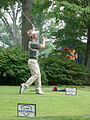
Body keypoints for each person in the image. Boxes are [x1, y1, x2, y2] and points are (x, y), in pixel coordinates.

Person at [19, 29, 46, 95]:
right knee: (35, 75)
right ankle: (25, 85)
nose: (36, 35)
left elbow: (39, 47)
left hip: (33, 61)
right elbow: (43, 46)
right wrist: (44, 40)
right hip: (32, 61)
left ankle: (38, 89)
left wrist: (37, 33)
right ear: (33, 36)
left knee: (38, 75)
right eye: (35, 34)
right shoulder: (33, 43)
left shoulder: (33, 42)